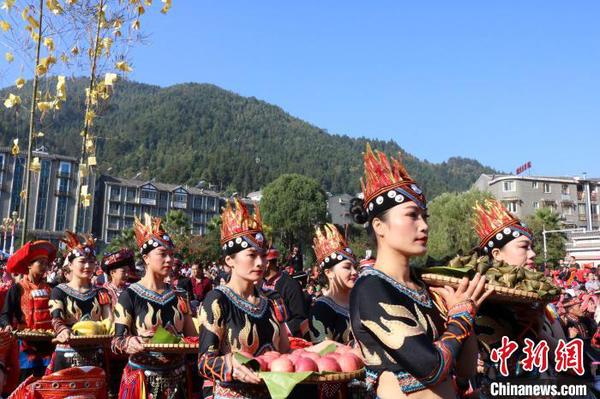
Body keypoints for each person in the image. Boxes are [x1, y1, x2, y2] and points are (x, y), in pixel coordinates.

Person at [349, 144, 492, 399]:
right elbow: (432, 368)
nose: (424, 226)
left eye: (425, 216)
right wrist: (459, 317)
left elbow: (466, 368)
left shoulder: (425, 286)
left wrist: (467, 311)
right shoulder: (370, 288)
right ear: (379, 226)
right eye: (412, 215)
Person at [198, 199, 292, 398]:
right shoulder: (217, 300)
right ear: (229, 260)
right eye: (251, 255)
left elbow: (285, 352)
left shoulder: (273, 300)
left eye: (263, 255)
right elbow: (204, 362)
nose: (260, 263)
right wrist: (230, 364)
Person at [472, 199, 566, 386]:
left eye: (531, 247)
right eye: (524, 247)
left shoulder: (544, 307)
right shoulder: (474, 303)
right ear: (497, 254)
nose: (532, 254)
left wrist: (539, 332)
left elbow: (566, 357)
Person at [112, 214, 196, 399]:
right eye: (162, 254)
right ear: (146, 258)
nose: (169, 260)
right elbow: (116, 340)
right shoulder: (130, 295)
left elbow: (193, 337)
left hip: (178, 379)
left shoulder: (180, 295)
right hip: (143, 381)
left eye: (171, 255)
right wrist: (129, 342)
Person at [48, 232, 113, 373]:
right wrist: (63, 330)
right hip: (67, 353)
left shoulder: (101, 292)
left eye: (91, 262)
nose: (88, 266)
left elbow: (109, 321)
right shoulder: (59, 291)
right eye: (82, 261)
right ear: (70, 265)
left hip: (96, 354)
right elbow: (56, 319)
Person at [0, 240, 56, 381]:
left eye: (46, 263)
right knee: (26, 381)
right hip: (25, 344)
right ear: (29, 265)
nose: (44, 267)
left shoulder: (51, 288)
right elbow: (5, 314)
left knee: (45, 382)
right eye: (40, 263)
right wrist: (7, 325)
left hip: (48, 343)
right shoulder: (17, 288)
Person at [308, 224, 357, 344]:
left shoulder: (361, 302)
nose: (354, 272)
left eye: (355, 267)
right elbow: (323, 353)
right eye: (347, 267)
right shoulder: (321, 309)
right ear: (329, 273)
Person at [261, 248, 309, 339]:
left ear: (267, 263)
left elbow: (300, 318)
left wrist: (279, 333)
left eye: (259, 260)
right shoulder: (259, 285)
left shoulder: (291, 285)